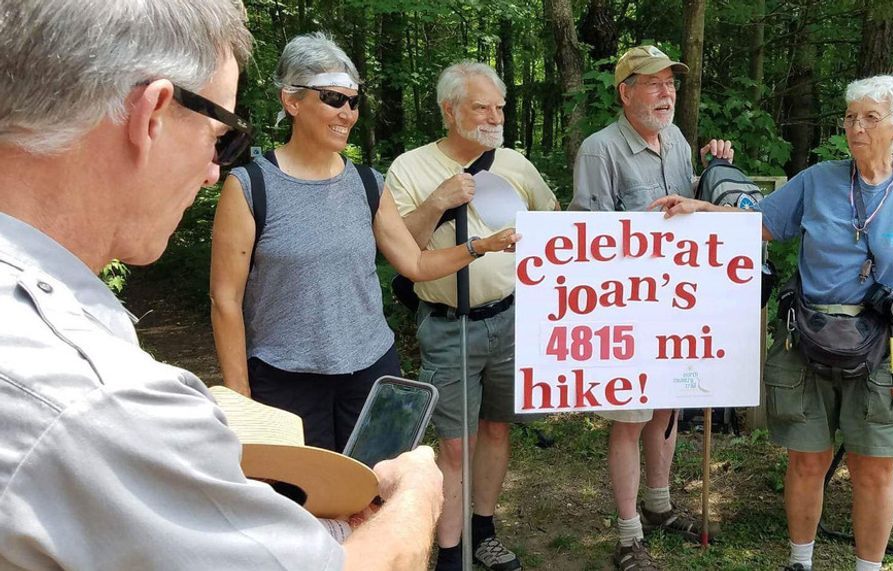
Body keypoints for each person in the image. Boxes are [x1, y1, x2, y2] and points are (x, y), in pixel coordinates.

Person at [0, 2, 443, 569]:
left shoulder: (364, 182)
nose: (214, 169)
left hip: (365, 362)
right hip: (285, 375)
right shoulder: (103, 399)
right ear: (152, 113)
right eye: (221, 136)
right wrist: (420, 492)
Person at [652, 75, 893, 571]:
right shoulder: (819, 179)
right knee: (806, 461)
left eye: (869, 117)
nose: (856, 127)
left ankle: (869, 568)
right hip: (808, 338)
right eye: (850, 117)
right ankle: (800, 562)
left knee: (873, 470)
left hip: (881, 342)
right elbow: (759, 221)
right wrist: (700, 208)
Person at [210, 33, 518, 454]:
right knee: (302, 506)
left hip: (371, 372)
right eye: (333, 98)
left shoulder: (367, 183)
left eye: (353, 101)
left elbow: (415, 264)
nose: (347, 113)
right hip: (286, 379)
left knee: (374, 496)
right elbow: (225, 300)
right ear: (292, 101)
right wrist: (240, 396)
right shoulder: (250, 187)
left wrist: (481, 246)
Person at [386, 61, 560, 571]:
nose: (494, 116)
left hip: (510, 320)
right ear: (449, 109)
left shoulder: (515, 163)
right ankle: (448, 552)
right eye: (481, 106)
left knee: (498, 432)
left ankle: (482, 531)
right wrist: (439, 201)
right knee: (455, 448)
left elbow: (553, 226)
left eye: (499, 107)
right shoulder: (410, 168)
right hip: (448, 325)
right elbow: (404, 248)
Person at [568, 44, 731, 571]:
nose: (667, 93)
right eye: (654, 83)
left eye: (671, 84)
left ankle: (659, 507)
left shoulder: (678, 140)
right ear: (625, 91)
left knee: (668, 407)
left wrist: (716, 171)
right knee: (629, 419)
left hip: (677, 309)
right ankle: (627, 535)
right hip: (626, 311)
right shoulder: (600, 150)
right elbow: (586, 241)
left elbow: (690, 215)